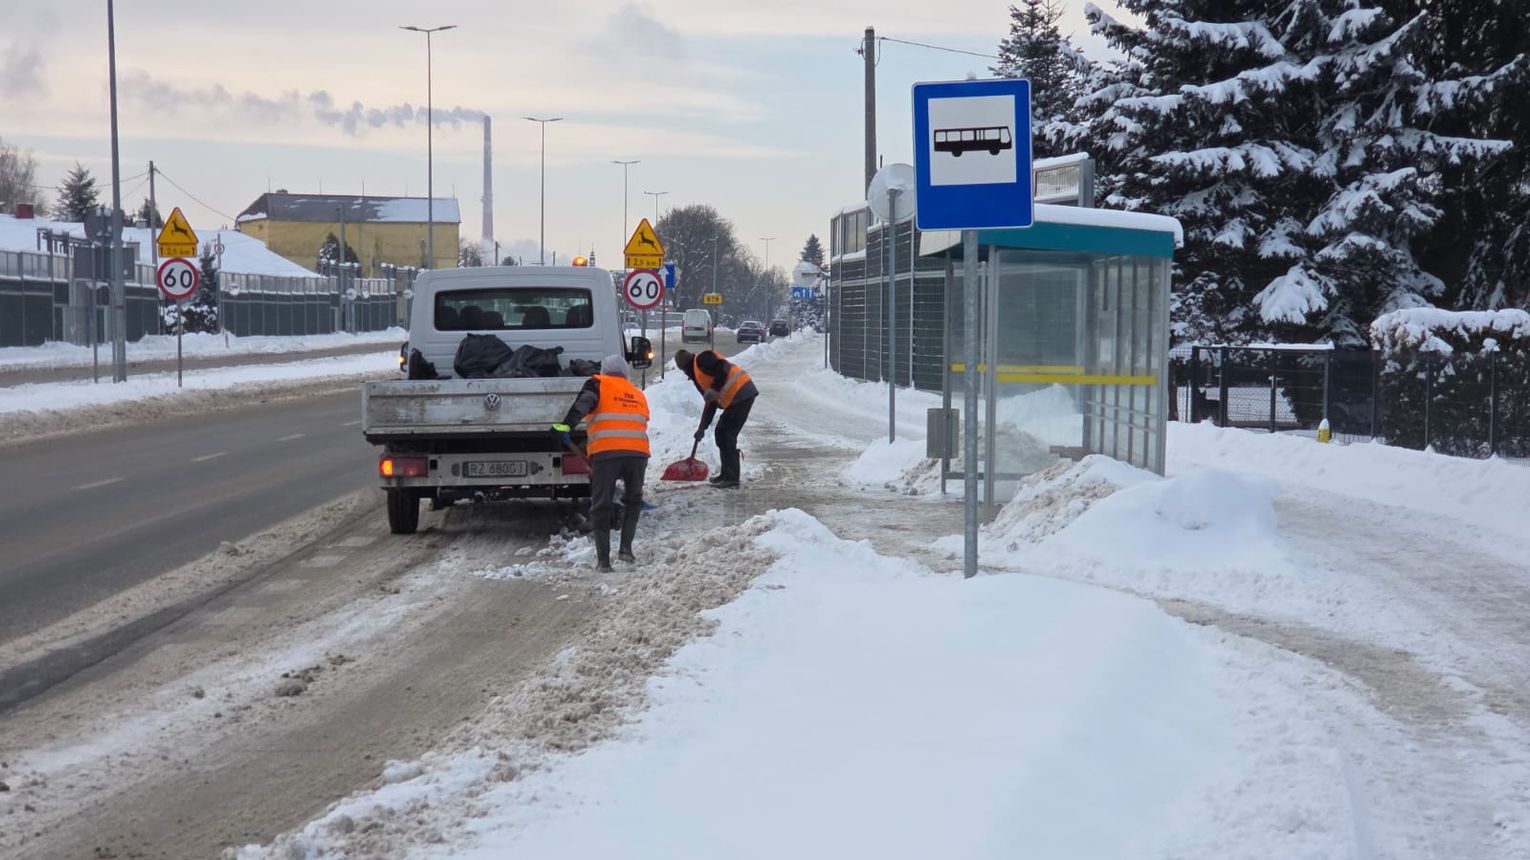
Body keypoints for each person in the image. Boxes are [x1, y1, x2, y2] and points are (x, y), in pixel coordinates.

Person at [553, 355, 649, 571]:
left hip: (607, 454)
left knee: (601, 504)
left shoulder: (598, 384)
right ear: (625, 372)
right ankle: (626, 550)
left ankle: (603, 562)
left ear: (604, 370)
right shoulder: (637, 393)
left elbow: (583, 405)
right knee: (634, 500)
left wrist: (566, 426)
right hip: (638, 454)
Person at [673, 348, 757, 489]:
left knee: (727, 435)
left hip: (742, 392)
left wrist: (715, 388)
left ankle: (732, 478)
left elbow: (723, 365)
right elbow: (710, 403)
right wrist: (702, 427)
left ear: (686, 366)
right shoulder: (698, 376)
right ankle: (725, 475)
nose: (686, 374)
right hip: (736, 398)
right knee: (721, 433)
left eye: (684, 371)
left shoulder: (702, 359)